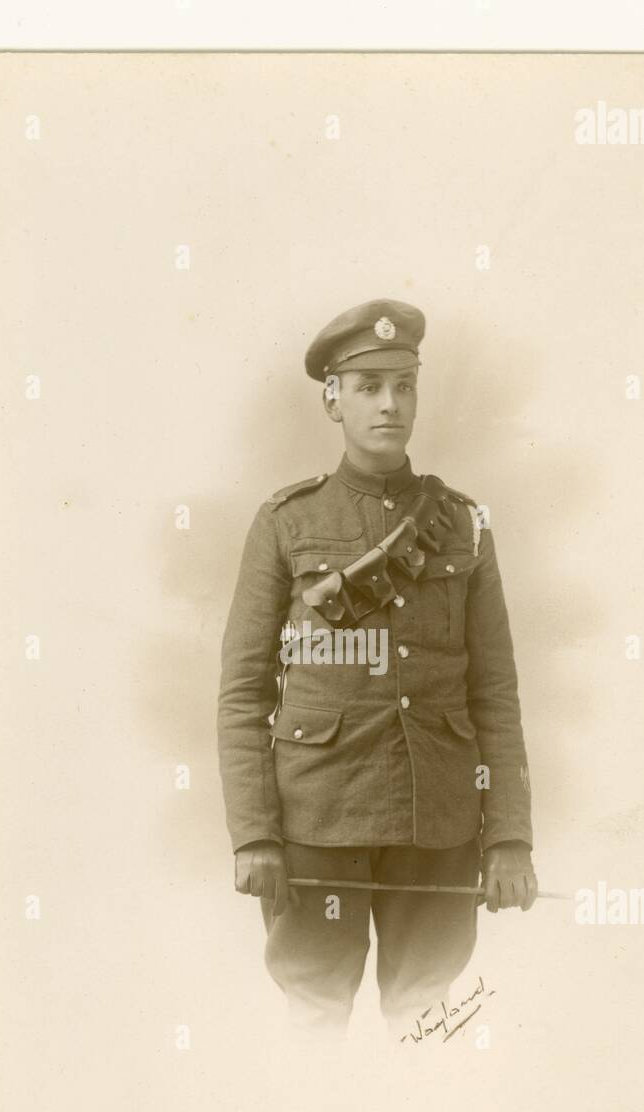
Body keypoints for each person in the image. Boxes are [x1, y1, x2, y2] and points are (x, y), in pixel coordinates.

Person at [216, 298, 537, 1038]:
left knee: (427, 1022)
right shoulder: (285, 524)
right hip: (316, 818)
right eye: (368, 388)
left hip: (441, 817)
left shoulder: (462, 524)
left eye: (404, 385)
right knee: (313, 1019)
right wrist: (254, 833)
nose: (389, 405)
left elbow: (495, 693)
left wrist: (510, 836)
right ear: (332, 399)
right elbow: (241, 695)